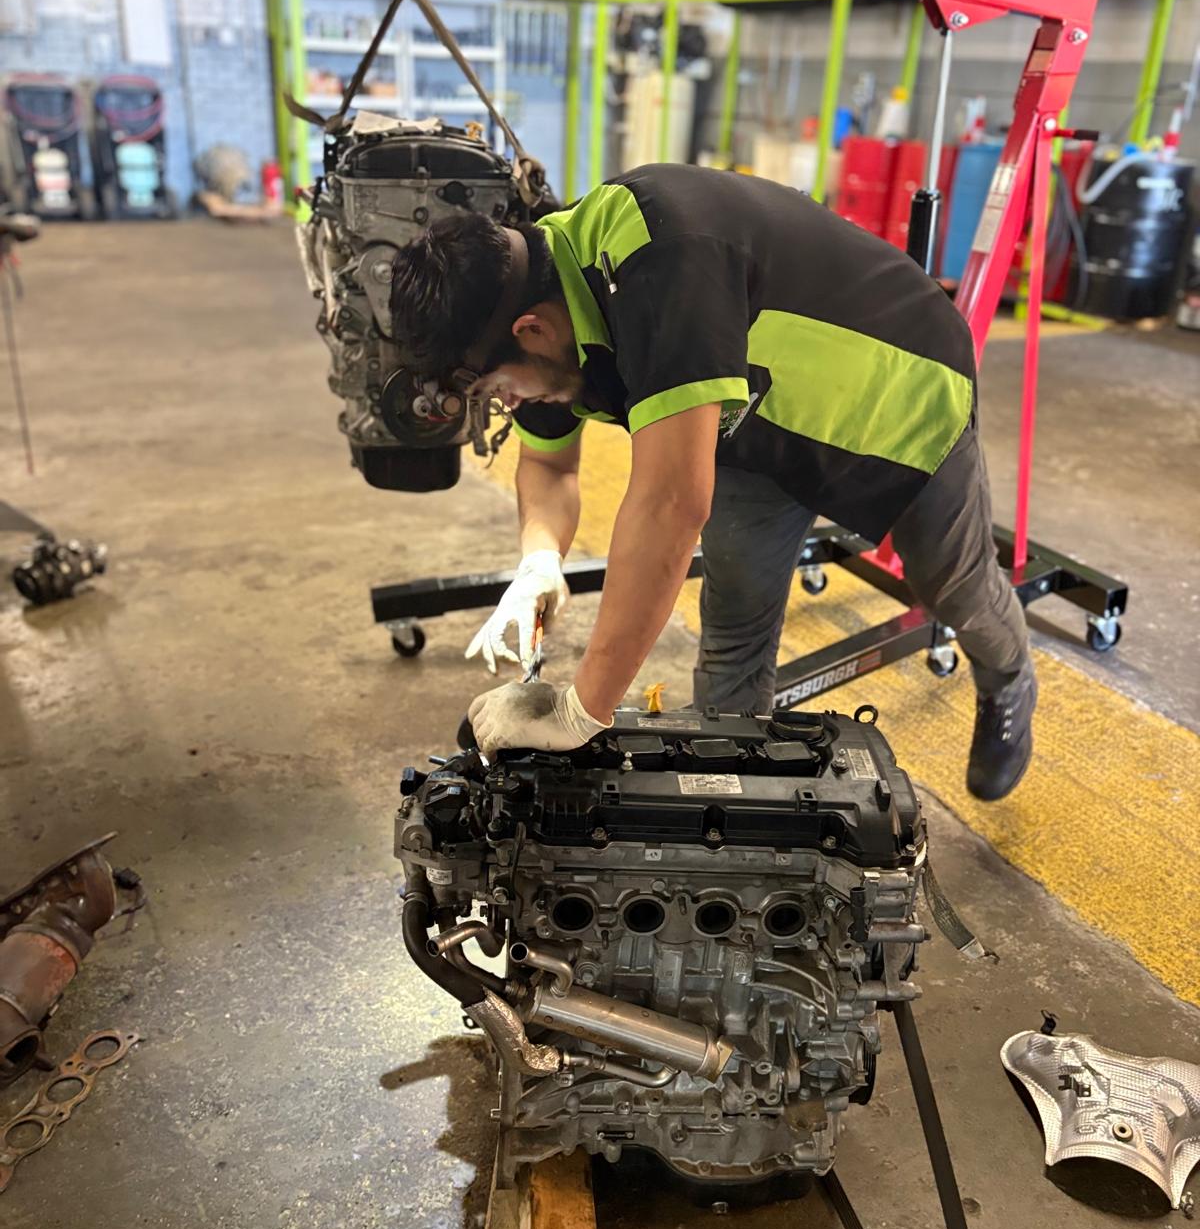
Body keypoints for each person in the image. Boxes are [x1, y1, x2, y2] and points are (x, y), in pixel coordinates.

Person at [389, 163, 1035, 800]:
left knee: (954, 588)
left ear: (531, 331)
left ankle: (1009, 676)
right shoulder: (539, 295)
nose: (504, 404)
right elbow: (550, 467)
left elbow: (671, 507)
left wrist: (582, 710)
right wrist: (538, 557)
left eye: (496, 390)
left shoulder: (661, 263)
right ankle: (738, 807)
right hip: (756, 430)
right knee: (734, 633)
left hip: (897, 389)